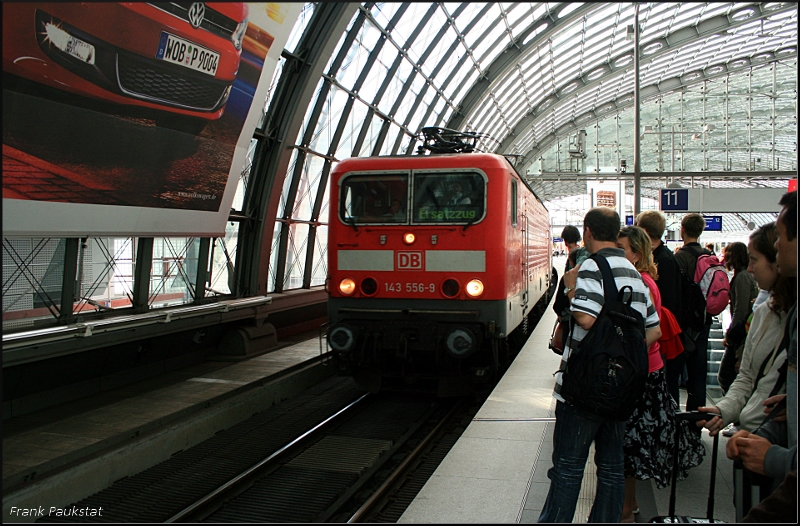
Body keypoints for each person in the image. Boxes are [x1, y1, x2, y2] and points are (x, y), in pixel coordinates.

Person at [538, 207, 661, 523]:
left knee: (567, 467)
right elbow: (654, 329)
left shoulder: (591, 267)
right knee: (610, 467)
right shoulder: (634, 273)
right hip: (621, 389)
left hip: (583, 388)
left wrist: (569, 287)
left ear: (588, 231)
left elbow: (585, 317)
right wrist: (623, 360)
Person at [616, 226, 704, 522]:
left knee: (630, 445)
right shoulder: (647, 280)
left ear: (637, 255)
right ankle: (631, 505)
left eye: (622, 249)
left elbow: (644, 331)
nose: (617, 253)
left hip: (642, 373)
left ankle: (627, 509)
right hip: (650, 370)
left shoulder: (639, 282)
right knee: (633, 444)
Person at [726, 190, 797, 517]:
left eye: (783, 237)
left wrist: (776, 459)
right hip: (763, 439)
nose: (750, 269)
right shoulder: (770, 310)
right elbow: (750, 376)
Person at [696, 223, 793, 440]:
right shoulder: (764, 313)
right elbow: (747, 376)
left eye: (755, 260)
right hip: (757, 439)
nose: (751, 268)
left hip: (780, 445)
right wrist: (725, 409)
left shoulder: (781, 315)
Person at [636, 210, 684, 403]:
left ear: (645, 231)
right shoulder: (667, 256)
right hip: (663, 334)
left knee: (665, 389)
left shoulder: (662, 259)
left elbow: (665, 303)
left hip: (661, 337)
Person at [674, 213, 713, 414]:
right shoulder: (708, 257)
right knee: (699, 374)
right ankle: (696, 421)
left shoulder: (680, 257)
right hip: (704, 321)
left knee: (674, 371)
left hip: (684, 324)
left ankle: (675, 419)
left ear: (683, 230)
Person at [718, 242, 759, 398]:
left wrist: (731, 334)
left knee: (726, 376)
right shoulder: (745, 276)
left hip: (740, 334)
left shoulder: (741, 278)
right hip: (744, 331)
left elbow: (740, 310)